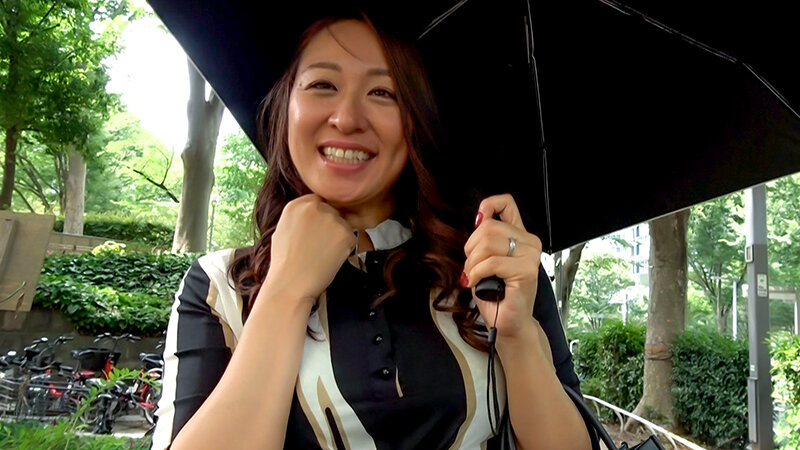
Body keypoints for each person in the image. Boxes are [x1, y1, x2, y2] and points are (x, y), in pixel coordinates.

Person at [152, 12, 595, 450]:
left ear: (414, 121)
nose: (347, 119)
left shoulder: (494, 266)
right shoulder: (221, 286)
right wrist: (285, 290)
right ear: (285, 106)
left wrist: (516, 335)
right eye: (322, 85)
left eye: (383, 92)